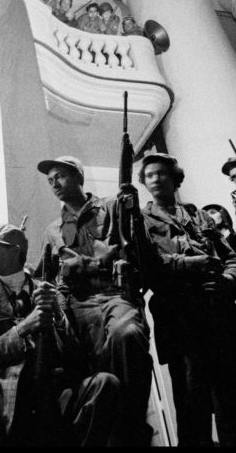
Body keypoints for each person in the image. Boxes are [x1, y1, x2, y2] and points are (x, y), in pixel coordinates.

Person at [137, 153, 236, 446]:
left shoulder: (200, 215)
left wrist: (227, 281)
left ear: (175, 178)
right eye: (149, 175)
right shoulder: (141, 221)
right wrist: (192, 264)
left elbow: (233, 259)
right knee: (191, 402)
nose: (156, 179)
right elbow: (149, 266)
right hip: (180, 317)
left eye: (162, 173)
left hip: (219, 312)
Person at [0, 223, 121, 447]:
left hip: (54, 393)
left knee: (106, 384)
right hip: (10, 398)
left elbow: (76, 357)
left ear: (15, 249)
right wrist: (23, 328)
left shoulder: (48, 289)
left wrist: (56, 314)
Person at [37, 155, 153, 446]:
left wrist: (133, 212)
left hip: (115, 292)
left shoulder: (113, 206)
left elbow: (139, 248)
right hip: (79, 304)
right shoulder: (53, 230)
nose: (55, 185)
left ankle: (132, 428)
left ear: (78, 177)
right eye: (50, 181)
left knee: (126, 336)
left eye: (61, 176)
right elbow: (47, 278)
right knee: (93, 369)